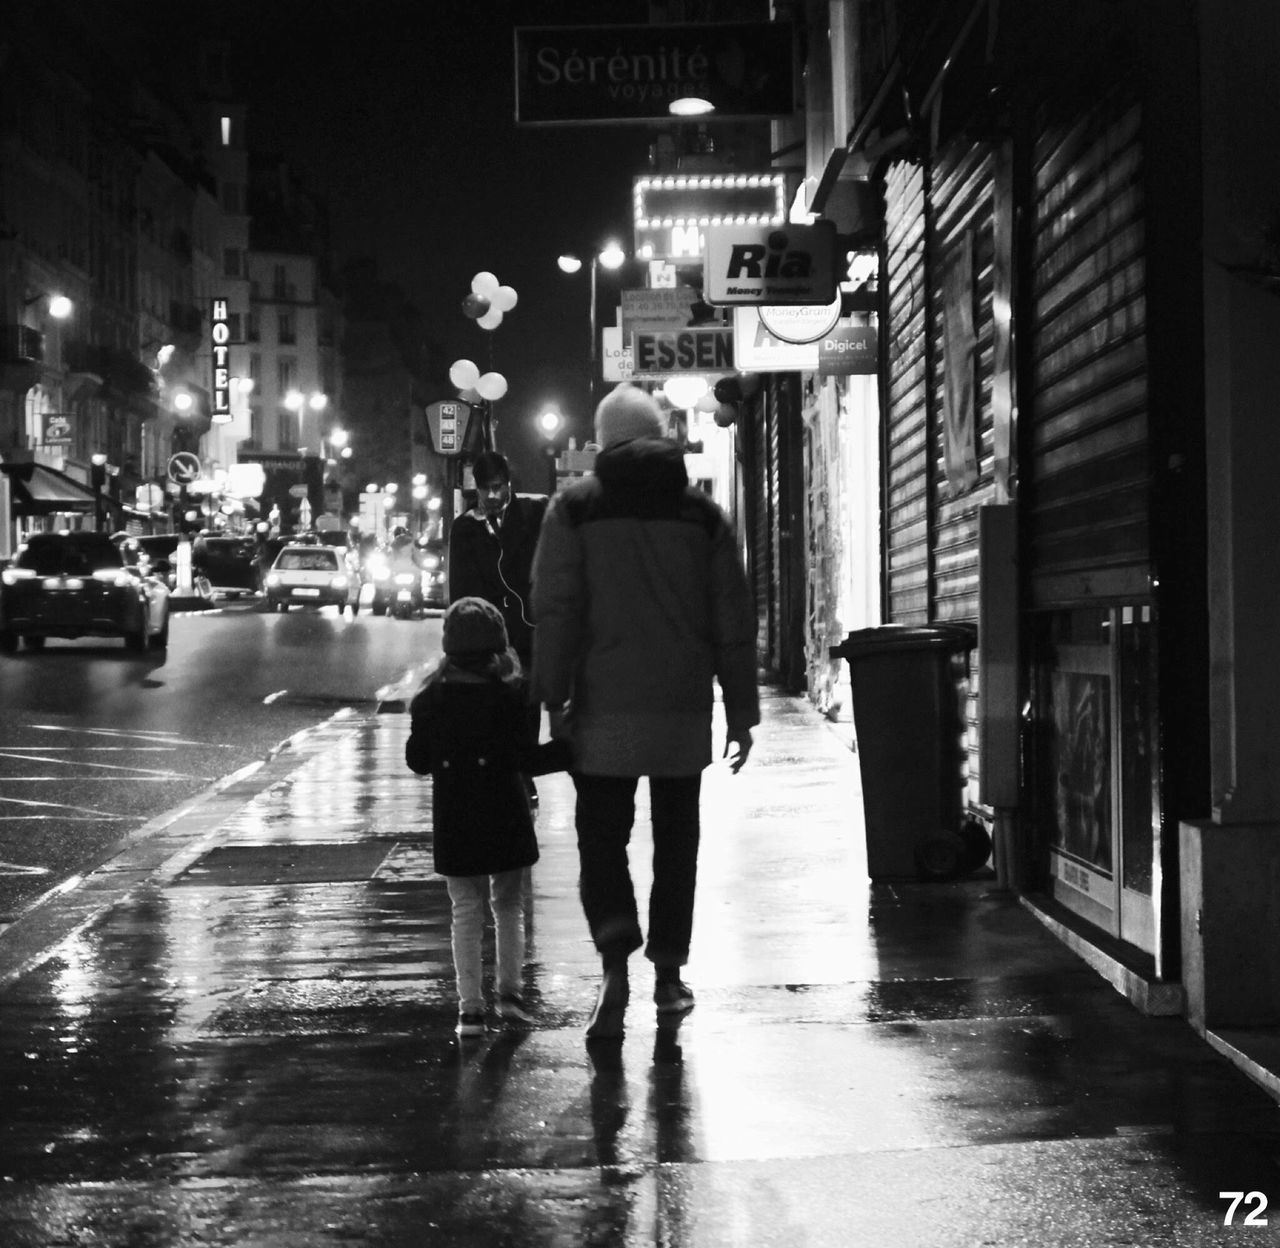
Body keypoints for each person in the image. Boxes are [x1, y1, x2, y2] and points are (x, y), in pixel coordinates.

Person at [530, 384, 759, 1041]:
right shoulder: (702, 516)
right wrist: (740, 711)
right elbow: (732, 619)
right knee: (677, 840)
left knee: (601, 835)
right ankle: (668, 972)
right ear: (659, 434)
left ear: (603, 440)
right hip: (682, 709)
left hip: (601, 710)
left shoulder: (572, 512)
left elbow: (557, 610)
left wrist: (552, 698)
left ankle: (613, 955)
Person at [405, 596, 570, 1037]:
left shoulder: (430, 698)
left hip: (456, 815)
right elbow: (526, 760)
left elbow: (417, 760)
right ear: (499, 645)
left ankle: (470, 1010)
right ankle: (510, 994)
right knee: (508, 903)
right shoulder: (514, 693)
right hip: (505, 810)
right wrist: (572, 750)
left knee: (465, 908)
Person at [449, 450, 550, 801]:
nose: (492, 496)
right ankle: (502, 776)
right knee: (494, 706)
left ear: (508, 485)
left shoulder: (533, 513)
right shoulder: (465, 527)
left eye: (498, 488)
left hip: (526, 629)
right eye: (485, 489)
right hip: (488, 635)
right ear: (474, 488)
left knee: (527, 705)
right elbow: (460, 588)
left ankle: (525, 775)